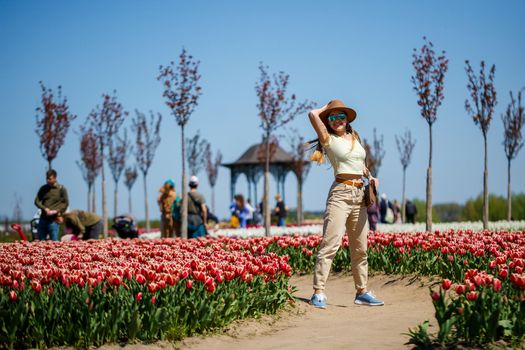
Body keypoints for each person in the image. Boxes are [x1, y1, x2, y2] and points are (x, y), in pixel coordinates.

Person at [307, 99, 384, 308]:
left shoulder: (355, 137)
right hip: (340, 194)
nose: (337, 120)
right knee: (330, 244)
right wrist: (327, 109)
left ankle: (362, 292)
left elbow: (359, 162)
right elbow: (313, 114)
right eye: (332, 118)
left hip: (359, 195)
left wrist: (371, 176)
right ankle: (319, 292)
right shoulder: (328, 139)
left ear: (347, 119)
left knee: (360, 247)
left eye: (341, 116)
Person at [34, 169, 69, 241]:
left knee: (54, 242)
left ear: (55, 178)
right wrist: (44, 208)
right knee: (41, 243)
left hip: (54, 221)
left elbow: (66, 203)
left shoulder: (61, 189)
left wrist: (57, 211)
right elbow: (36, 201)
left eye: (50, 179)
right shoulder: (43, 188)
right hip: (43, 219)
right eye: (47, 178)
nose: (48, 181)